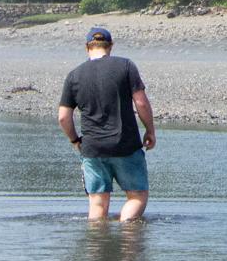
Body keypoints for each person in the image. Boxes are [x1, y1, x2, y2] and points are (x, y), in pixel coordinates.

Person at [57, 25, 156, 220]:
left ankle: (97, 244)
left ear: (87, 47)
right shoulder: (126, 66)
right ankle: (127, 231)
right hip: (125, 145)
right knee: (136, 197)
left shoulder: (74, 75)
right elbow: (141, 103)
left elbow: (63, 117)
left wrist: (75, 140)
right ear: (110, 46)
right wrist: (150, 130)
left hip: (92, 148)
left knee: (98, 203)